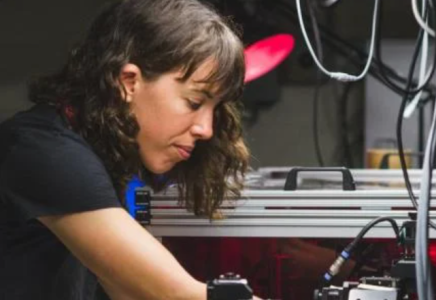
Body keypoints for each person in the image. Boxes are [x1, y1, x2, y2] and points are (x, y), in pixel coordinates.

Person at [0, 0, 260, 299]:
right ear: (128, 82)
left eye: (214, 110)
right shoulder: (43, 150)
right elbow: (175, 294)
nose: (207, 129)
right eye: (194, 102)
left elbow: (128, 291)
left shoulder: (95, 152)